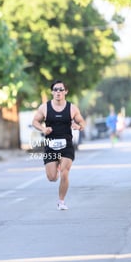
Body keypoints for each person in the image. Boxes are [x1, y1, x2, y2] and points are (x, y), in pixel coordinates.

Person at [32, 80, 85, 210]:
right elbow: (35, 122)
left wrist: (78, 126)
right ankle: (55, 169)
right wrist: (43, 129)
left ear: (65, 92)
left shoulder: (72, 108)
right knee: (52, 178)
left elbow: (82, 122)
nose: (58, 92)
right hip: (51, 146)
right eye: (55, 89)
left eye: (61, 89)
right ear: (52, 92)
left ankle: (61, 201)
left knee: (65, 173)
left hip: (66, 146)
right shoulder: (44, 107)